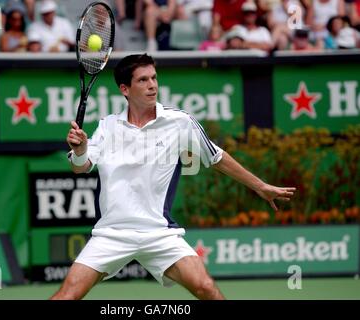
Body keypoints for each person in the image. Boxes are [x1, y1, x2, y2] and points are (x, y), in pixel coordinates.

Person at [52, 54, 296, 300]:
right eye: (143, 80)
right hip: (112, 232)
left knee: (206, 289)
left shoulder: (179, 122)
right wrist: (80, 149)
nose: (152, 85)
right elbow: (81, 167)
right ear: (125, 89)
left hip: (159, 232)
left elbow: (216, 157)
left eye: (154, 78)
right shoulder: (108, 126)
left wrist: (260, 186)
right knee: (67, 296)